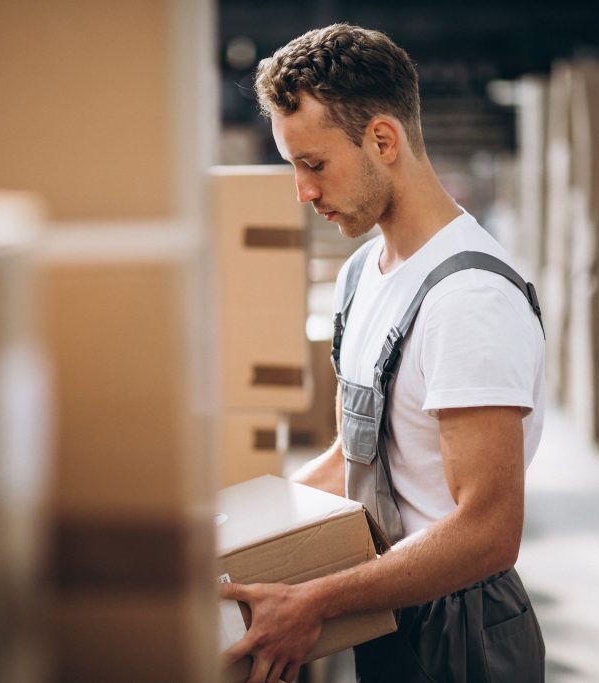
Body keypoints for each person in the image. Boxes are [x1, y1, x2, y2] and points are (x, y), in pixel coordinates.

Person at [219, 24, 547, 683]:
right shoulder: (363, 274)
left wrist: (315, 600)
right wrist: (219, 535)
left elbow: (487, 529)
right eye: (293, 167)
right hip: (390, 607)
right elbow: (354, 458)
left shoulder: (468, 297)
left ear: (383, 140)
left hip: (466, 639)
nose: (302, 191)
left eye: (313, 164)